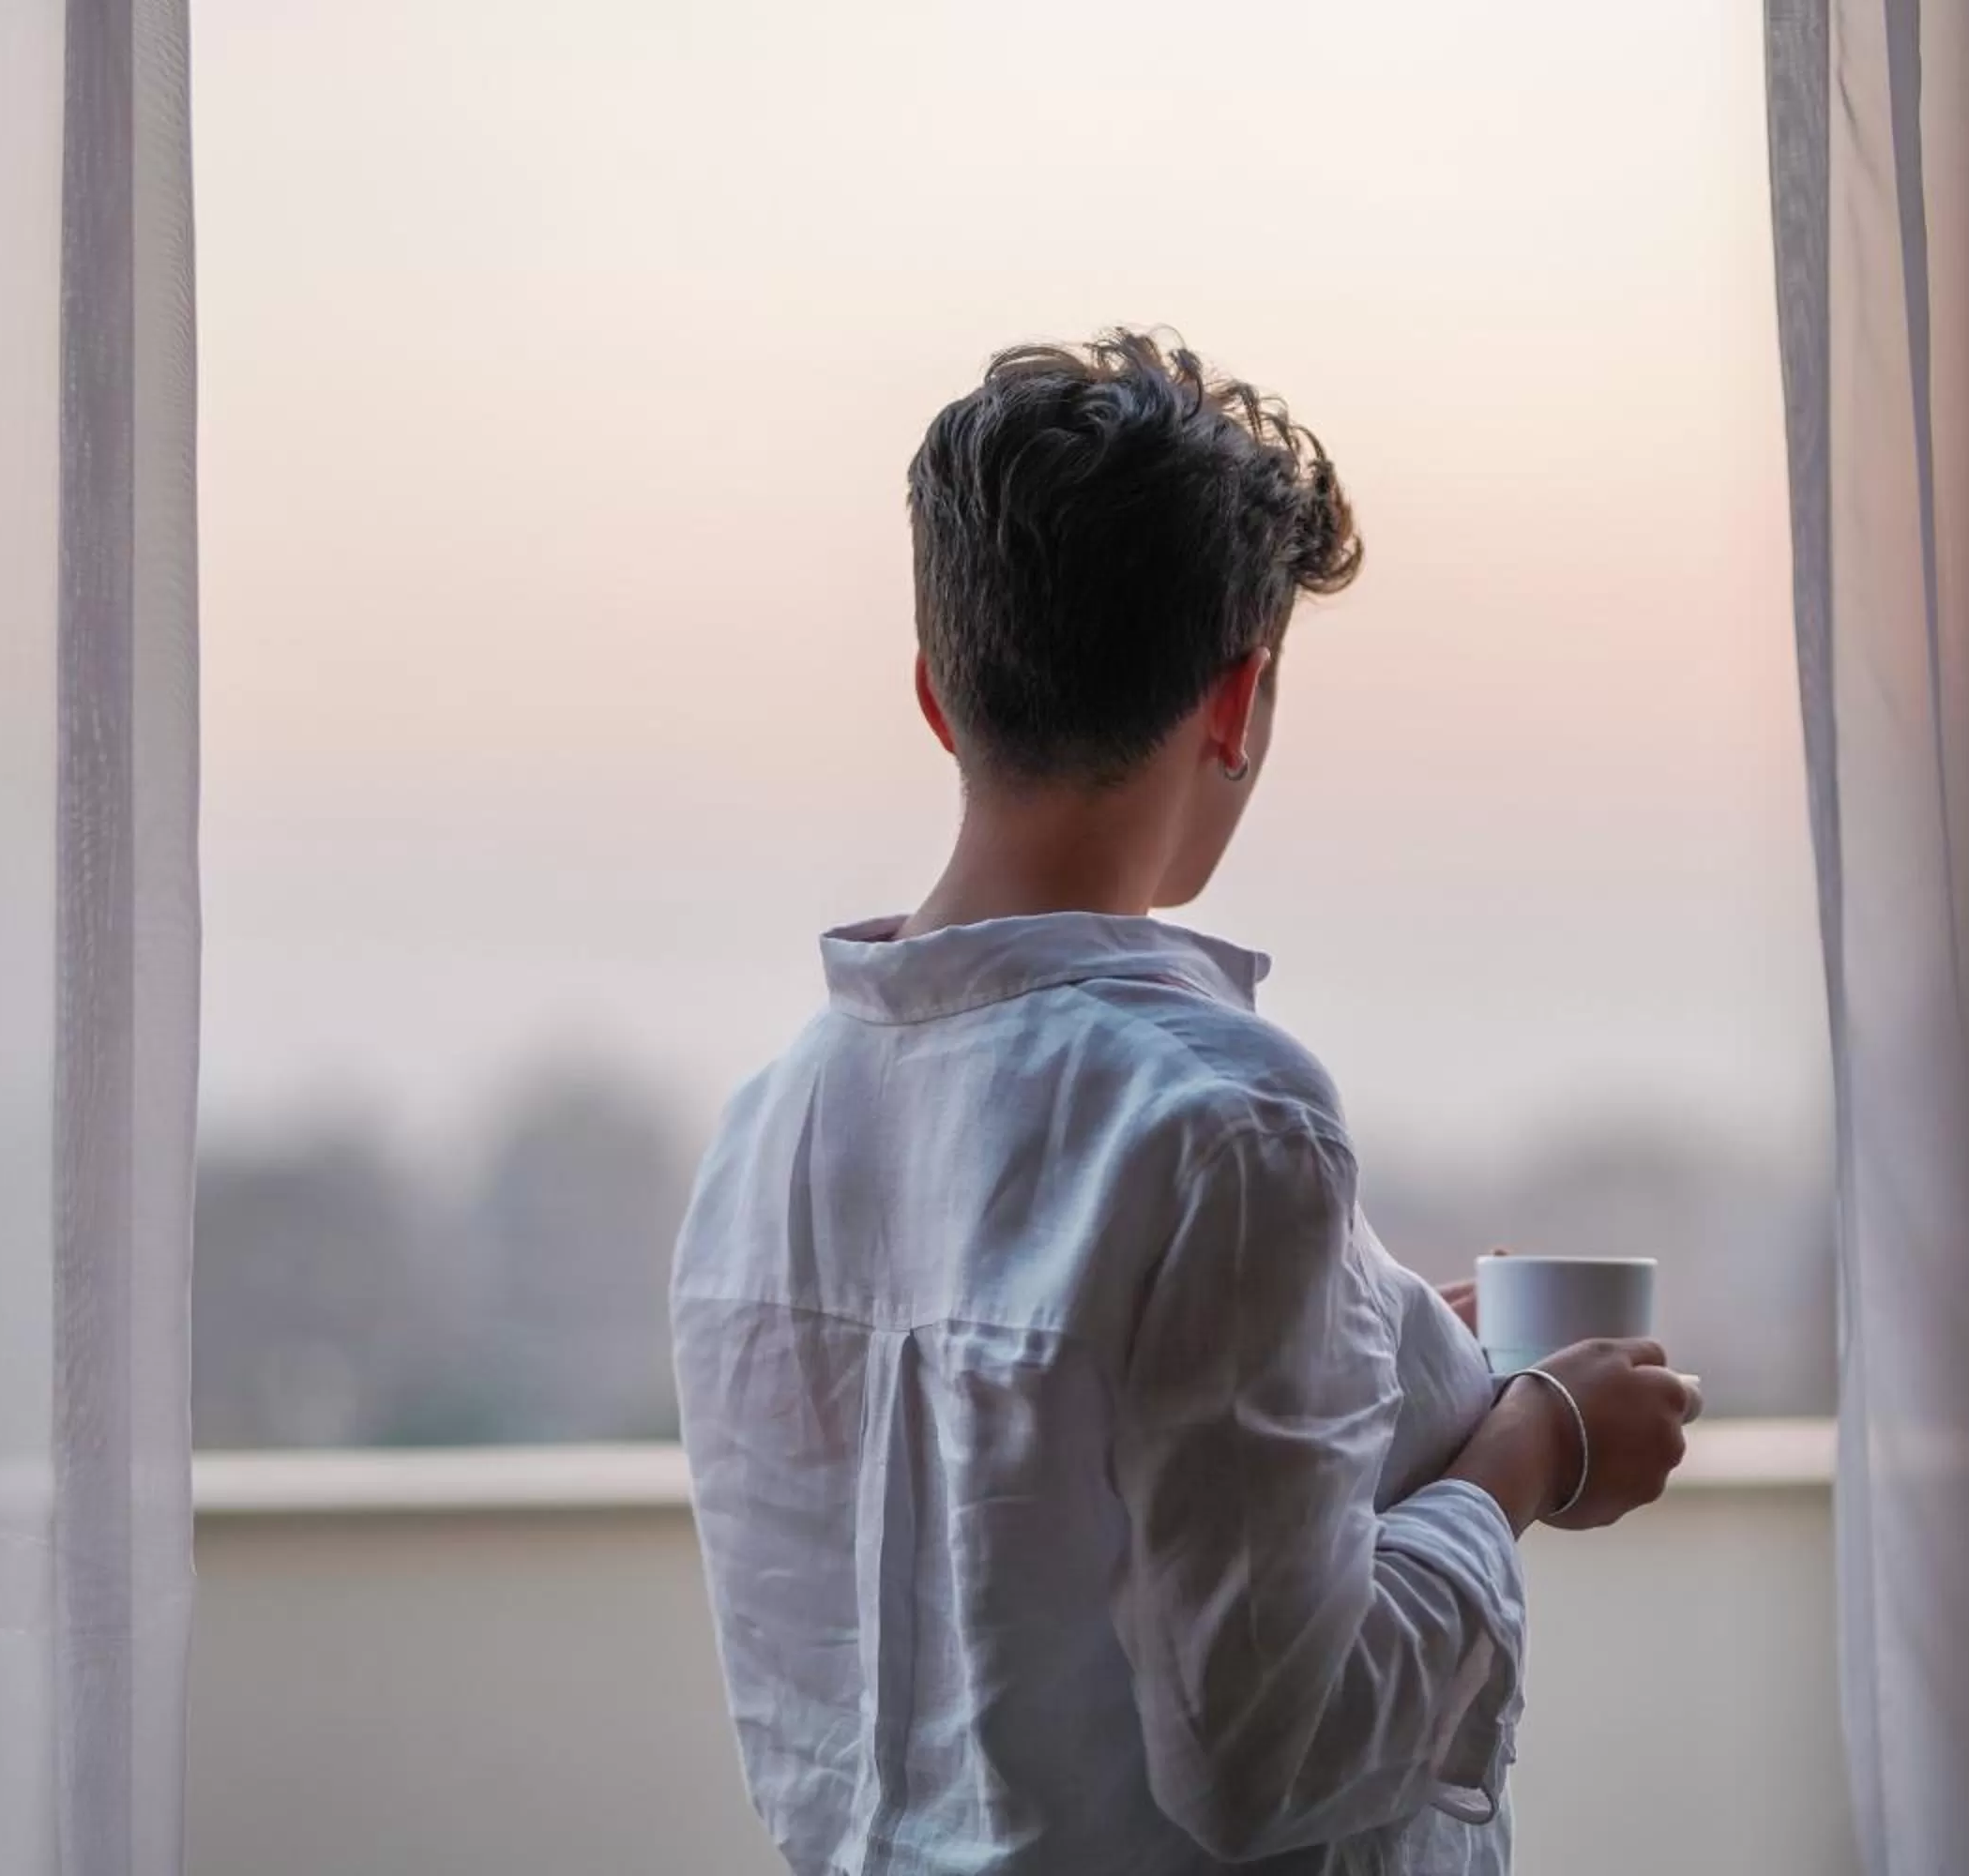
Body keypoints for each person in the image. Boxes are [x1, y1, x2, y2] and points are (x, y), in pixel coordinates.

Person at [671, 331, 1700, 1875]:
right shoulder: (1229, 1123)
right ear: (1238, 700)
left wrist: (1359, 1341)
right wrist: (1537, 1446)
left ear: (938, 696)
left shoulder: (767, 1136)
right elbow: (1278, 1759)